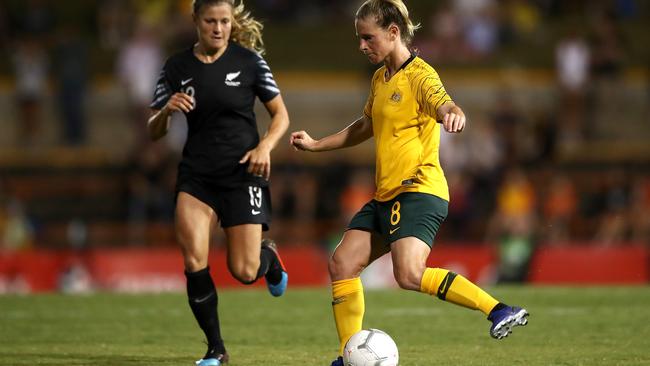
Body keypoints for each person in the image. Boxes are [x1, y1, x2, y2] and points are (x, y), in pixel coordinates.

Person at [289, 1, 529, 364]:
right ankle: (346, 356)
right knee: (342, 263)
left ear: (393, 32)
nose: (362, 46)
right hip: (387, 194)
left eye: (368, 38)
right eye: (359, 38)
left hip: (418, 189)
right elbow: (365, 125)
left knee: (409, 273)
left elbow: (446, 105)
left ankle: (498, 309)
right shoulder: (380, 78)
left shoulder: (421, 75)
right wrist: (317, 144)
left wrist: (454, 115)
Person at [148, 1, 290, 365]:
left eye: (224, 21)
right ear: (195, 21)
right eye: (210, 21)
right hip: (197, 177)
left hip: (243, 175)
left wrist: (265, 146)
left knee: (243, 271)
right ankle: (216, 349)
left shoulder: (249, 62)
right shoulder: (176, 66)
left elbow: (280, 115)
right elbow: (153, 130)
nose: (218, 28)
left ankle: (269, 257)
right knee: (194, 259)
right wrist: (165, 111)